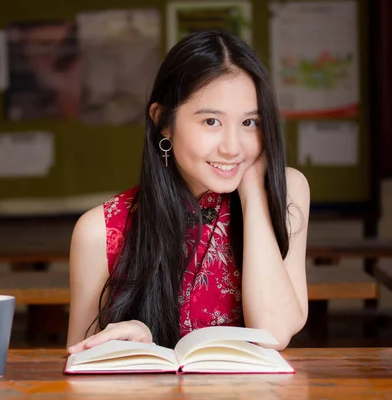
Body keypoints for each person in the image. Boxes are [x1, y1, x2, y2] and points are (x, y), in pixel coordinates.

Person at [66, 30, 310, 354]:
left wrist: (253, 191)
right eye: (211, 121)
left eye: (250, 123)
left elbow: (275, 331)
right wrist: (136, 339)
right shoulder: (100, 232)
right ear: (162, 121)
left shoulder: (288, 191)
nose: (232, 147)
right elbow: (80, 363)